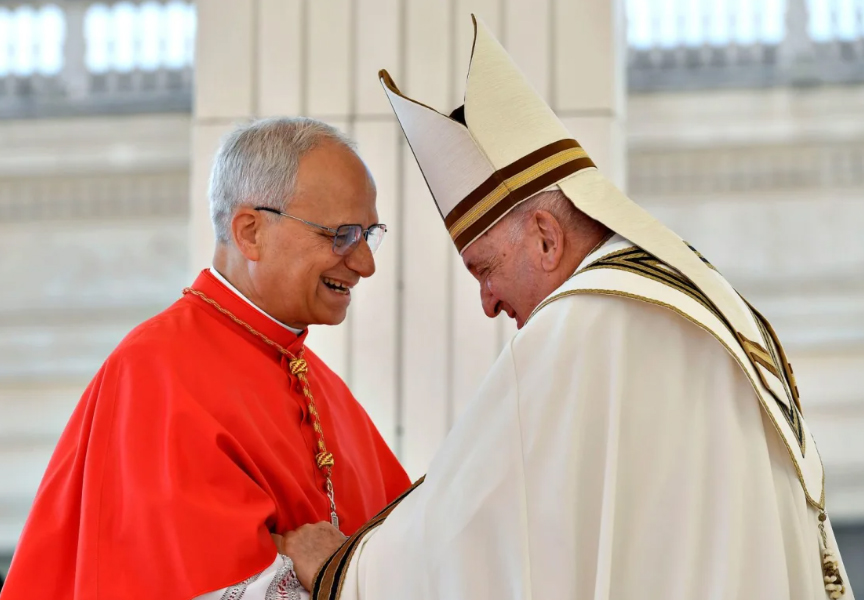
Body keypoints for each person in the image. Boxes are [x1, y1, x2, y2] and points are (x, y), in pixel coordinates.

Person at [277, 17, 854, 600]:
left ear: (548, 238)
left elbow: (469, 533)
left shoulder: (583, 327)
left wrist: (340, 569)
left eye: (485, 269)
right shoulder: (706, 306)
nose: (488, 302)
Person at [0, 118, 410, 600]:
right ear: (250, 233)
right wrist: (337, 574)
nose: (365, 263)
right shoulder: (157, 375)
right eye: (342, 235)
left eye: (368, 234)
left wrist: (337, 568)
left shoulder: (323, 388)